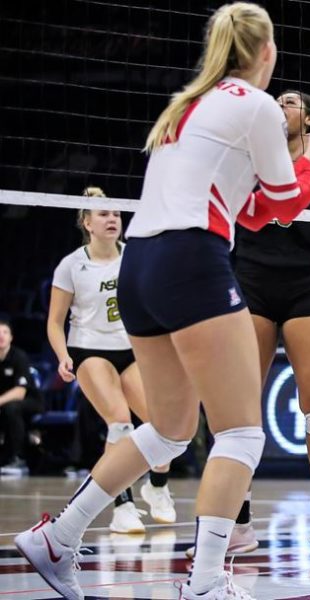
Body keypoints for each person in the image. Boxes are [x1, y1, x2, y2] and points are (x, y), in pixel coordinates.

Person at [14, 4, 310, 599]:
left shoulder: (189, 105)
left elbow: (248, 206)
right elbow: (283, 206)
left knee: (170, 429)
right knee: (241, 435)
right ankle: (204, 583)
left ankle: (58, 535)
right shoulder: (253, 105)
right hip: (189, 261)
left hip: (140, 265)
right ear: (267, 52)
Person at [224, 89, 310, 559]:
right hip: (251, 281)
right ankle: (238, 522)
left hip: (305, 285)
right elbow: (258, 222)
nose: (281, 106)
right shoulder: (252, 160)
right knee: (240, 405)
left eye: (292, 102)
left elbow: (300, 226)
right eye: (276, 100)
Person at [46, 187, 175, 533]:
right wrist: (62, 356)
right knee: (120, 422)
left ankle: (158, 486)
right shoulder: (71, 265)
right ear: (87, 222)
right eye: (103, 214)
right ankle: (123, 506)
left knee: (164, 426)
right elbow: (54, 322)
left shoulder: (134, 256)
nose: (112, 219)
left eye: (116, 214)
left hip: (132, 349)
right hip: (89, 350)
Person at [0, 319, 42, 475]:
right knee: (8, 408)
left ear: (11, 337)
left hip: (30, 401)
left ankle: (19, 459)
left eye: (5, 332)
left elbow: (20, 392)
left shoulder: (19, 357)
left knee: (11, 408)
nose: (1, 336)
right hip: (5, 404)